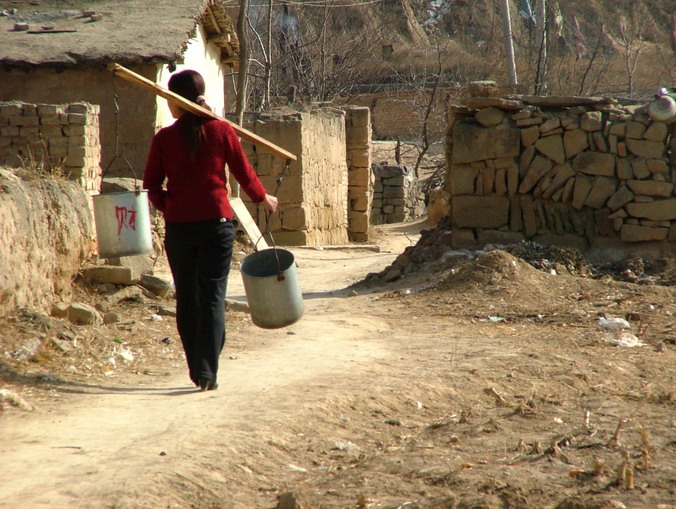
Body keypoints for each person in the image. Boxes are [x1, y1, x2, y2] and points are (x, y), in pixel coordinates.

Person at [143, 69, 278, 391]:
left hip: (179, 229)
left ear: (176, 102)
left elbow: (151, 186)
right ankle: (209, 370)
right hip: (216, 225)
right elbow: (243, 174)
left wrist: (172, 206)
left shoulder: (164, 138)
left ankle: (199, 368)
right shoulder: (221, 130)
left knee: (187, 297)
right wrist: (263, 197)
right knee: (213, 297)